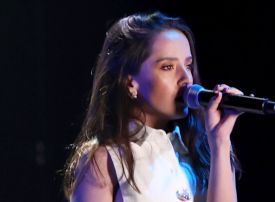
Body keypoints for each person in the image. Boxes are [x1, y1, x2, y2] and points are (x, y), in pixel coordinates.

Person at [63, 11, 243, 202]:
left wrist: (220, 141)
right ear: (130, 83)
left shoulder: (204, 153)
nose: (186, 79)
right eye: (168, 67)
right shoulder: (104, 160)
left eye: (188, 66)